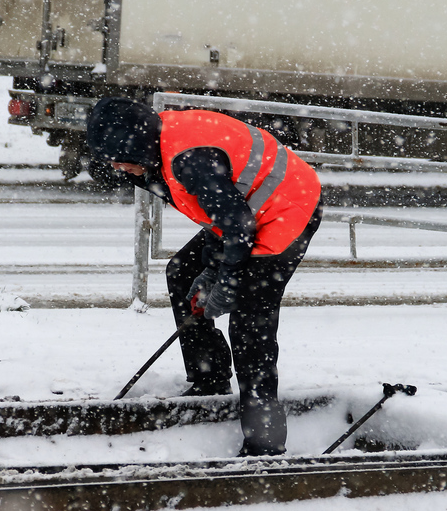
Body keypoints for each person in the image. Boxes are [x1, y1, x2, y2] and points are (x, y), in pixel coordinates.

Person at [86, 98, 323, 457]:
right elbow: (222, 214)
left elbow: (239, 225)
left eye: (120, 158)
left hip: (286, 208)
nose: (117, 167)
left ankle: (265, 442)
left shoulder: (188, 159)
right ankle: (210, 378)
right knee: (182, 272)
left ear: (135, 145)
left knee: (250, 324)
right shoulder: (153, 150)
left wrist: (226, 279)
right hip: (241, 211)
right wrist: (212, 267)